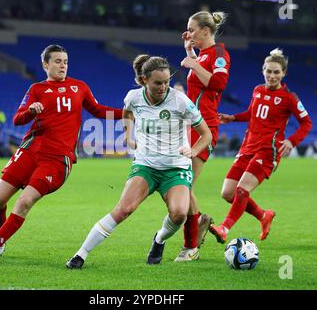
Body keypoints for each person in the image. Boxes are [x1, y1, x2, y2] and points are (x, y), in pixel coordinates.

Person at [0, 44, 123, 263]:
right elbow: (17, 119)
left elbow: (98, 110)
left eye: (66, 62)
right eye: (58, 61)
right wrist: (31, 110)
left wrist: (127, 112)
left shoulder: (80, 87)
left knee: (24, 202)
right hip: (30, 151)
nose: (63, 66)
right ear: (45, 64)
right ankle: (1, 237)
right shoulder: (36, 89)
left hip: (57, 159)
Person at [66, 54, 212, 269]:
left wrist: (193, 150)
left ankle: (159, 239)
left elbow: (206, 135)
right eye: (158, 83)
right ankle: (81, 254)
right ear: (144, 80)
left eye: (166, 82)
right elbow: (127, 113)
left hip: (176, 168)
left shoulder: (180, 101)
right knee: (123, 209)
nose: (163, 87)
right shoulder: (134, 97)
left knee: (180, 213)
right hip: (145, 165)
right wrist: (128, 135)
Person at [209, 48, 312, 243]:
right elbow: (252, 113)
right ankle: (264, 216)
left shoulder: (289, 98)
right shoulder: (257, 90)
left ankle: (224, 228)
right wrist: (233, 118)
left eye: (276, 72)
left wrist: (291, 141)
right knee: (228, 193)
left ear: (284, 74)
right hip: (247, 147)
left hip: (268, 150)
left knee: (242, 190)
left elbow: (307, 123)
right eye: (269, 71)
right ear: (263, 71)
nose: (272, 76)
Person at [175, 10, 231, 261]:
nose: (188, 32)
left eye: (192, 28)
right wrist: (190, 53)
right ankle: (200, 222)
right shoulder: (204, 54)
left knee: (183, 184)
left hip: (204, 128)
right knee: (180, 182)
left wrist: (193, 62)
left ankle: (192, 245)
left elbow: (218, 84)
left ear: (206, 31)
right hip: (190, 126)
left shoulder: (219, 54)